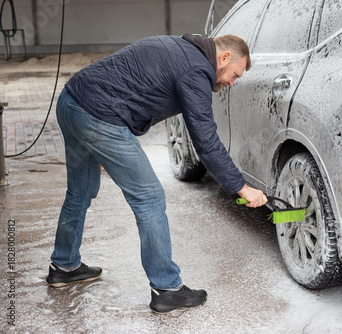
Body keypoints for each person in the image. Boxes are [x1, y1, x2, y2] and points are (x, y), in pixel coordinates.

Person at [45, 34, 267, 314]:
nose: (231, 83)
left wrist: (93, 138)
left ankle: (63, 265)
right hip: (99, 115)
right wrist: (240, 187)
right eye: (234, 74)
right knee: (149, 197)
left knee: (80, 190)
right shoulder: (197, 70)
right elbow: (206, 141)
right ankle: (167, 289)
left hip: (72, 102)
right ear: (223, 58)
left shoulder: (182, 46)